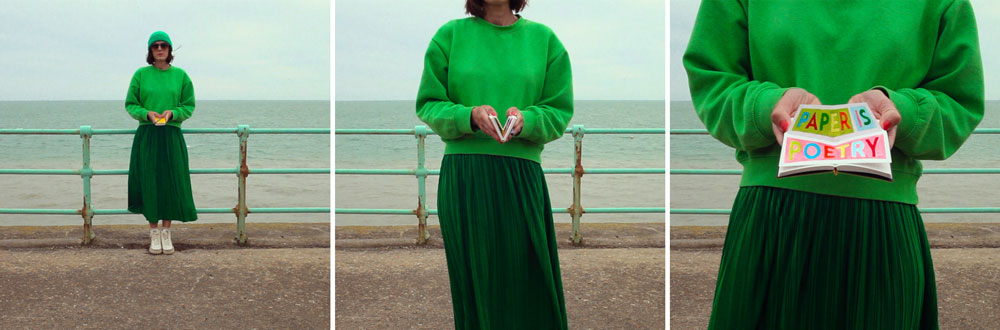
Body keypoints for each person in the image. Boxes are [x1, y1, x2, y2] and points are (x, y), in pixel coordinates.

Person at [683, 1, 984, 328]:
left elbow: (959, 103)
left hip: (880, 227)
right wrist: (768, 106)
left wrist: (902, 110)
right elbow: (713, 81)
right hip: (772, 221)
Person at [416, 0, 573, 328]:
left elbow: (559, 111)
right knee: (476, 286)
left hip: (520, 176)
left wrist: (527, 121)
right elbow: (429, 103)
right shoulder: (450, 36)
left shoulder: (545, 40)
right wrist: (467, 115)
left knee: (529, 283)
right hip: (465, 177)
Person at [125, 31, 198, 255]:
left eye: (163, 45)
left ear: (169, 50)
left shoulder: (181, 76)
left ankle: (167, 232)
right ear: (150, 50)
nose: (159, 49)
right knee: (149, 181)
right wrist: (146, 114)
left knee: (170, 182)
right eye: (155, 46)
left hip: (171, 134)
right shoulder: (140, 75)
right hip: (147, 135)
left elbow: (188, 106)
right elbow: (130, 104)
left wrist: (173, 113)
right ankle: (153, 233)